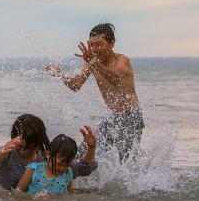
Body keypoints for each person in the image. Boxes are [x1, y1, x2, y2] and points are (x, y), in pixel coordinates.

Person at [46, 23, 143, 163]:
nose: (94, 49)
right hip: (113, 118)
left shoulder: (122, 60)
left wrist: (92, 61)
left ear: (112, 43)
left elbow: (114, 78)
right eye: (92, 45)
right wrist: (61, 75)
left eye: (99, 44)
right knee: (82, 153)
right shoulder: (91, 62)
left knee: (126, 162)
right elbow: (76, 85)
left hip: (131, 117)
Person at [0, 114, 97, 190]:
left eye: (29, 147)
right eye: (20, 145)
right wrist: (0, 155)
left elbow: (83, 169)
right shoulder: (5, 153)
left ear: (38, 142)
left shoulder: (47, 158)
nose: (23, 150)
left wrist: (91, 148)